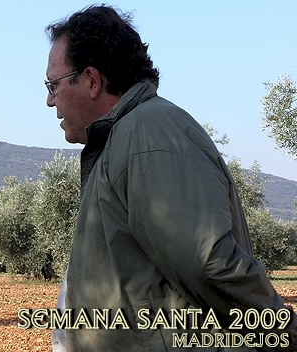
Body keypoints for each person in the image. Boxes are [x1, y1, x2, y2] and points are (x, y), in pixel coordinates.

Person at [44, 5, 296, 351]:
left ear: (90, 80)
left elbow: (207, 262)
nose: (48, 100)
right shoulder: (125, 138)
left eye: (52, 85)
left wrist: (284, 336)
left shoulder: (149, 134)